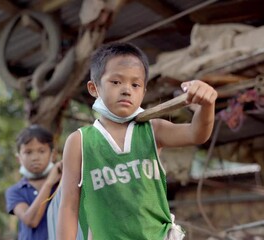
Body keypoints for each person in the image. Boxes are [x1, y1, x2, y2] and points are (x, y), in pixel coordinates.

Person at [57, 42, 217, 240]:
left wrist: (207, 105)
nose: (126, 90)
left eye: (135, 84)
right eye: (116, 82)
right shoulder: (79, 141)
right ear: (94, 88)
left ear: (143, 92)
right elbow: (69, 205)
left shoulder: (153, 129)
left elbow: (197, 134)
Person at [5, 125, 62, 240]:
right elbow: (31, 220)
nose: (35, 157)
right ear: (18, 158)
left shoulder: (63, 184)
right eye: (28, 152)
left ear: (53, 155)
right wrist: (48, 183)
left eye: (41, 151)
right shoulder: (15, 191)